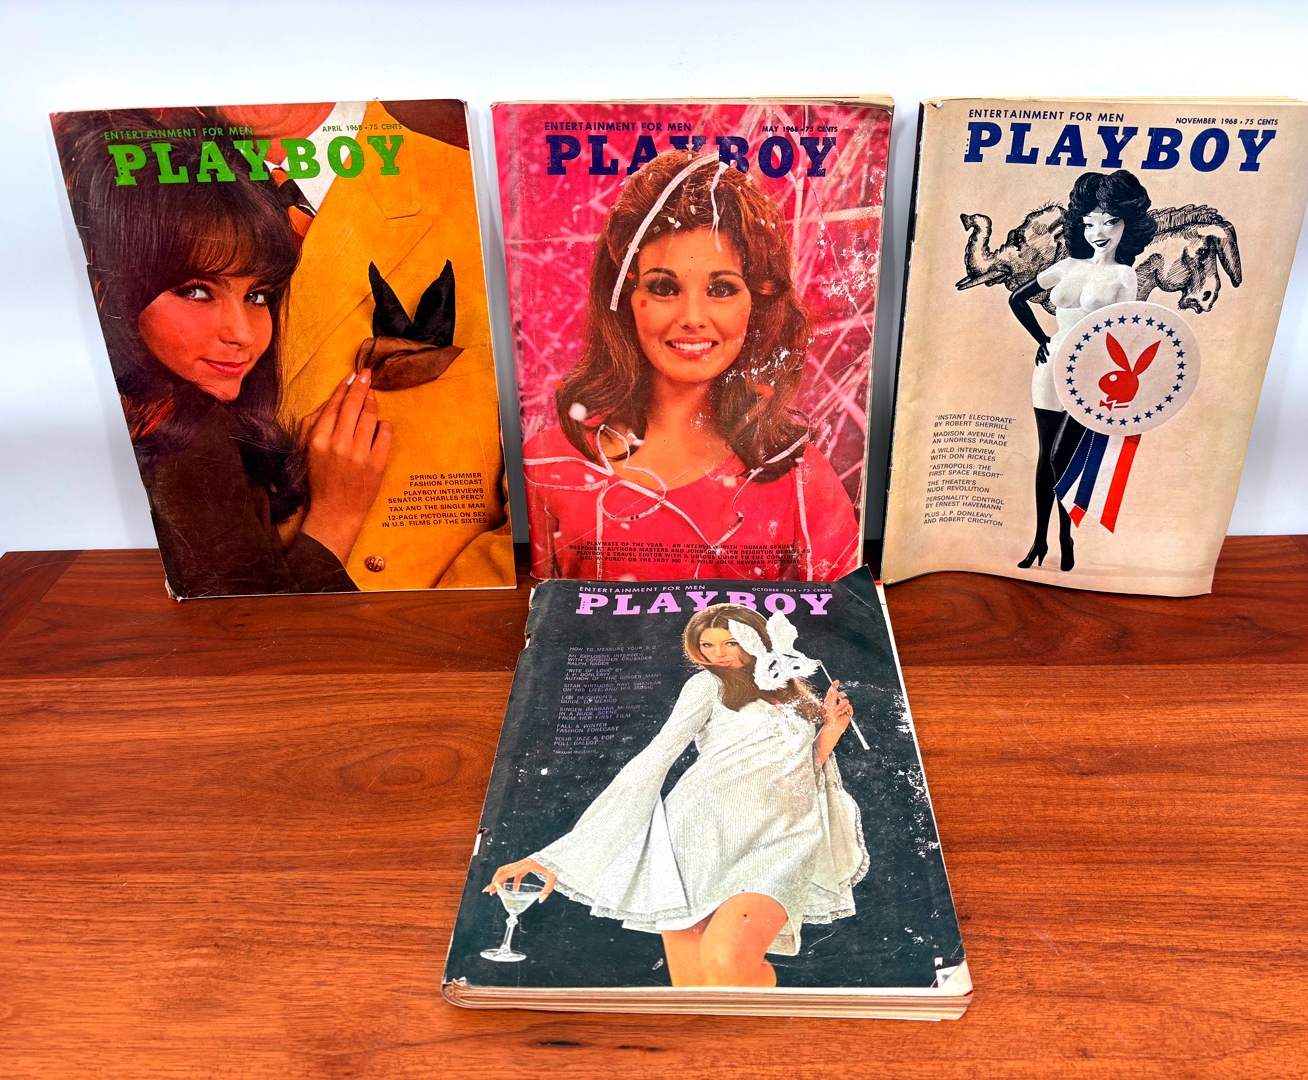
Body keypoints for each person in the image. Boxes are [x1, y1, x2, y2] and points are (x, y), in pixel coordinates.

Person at [55, 111, 389, 597]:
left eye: (257, 296)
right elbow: (254, 635)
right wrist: (337, 516)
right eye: (196, 292)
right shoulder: (185, 438)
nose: (242, 334)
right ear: (116, 293)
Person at [209, 101, 515, 591]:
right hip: (238, 612)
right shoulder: (143, 196)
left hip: (427, 612)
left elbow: (563, 488)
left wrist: (442, 619)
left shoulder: (486, 190)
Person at [486, 605, 868, 988]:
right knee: (693, 984)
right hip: (696, 836)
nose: (718, 654)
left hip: (782, 837)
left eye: (730, 642)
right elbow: (658, 754)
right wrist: (554, 856)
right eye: (708, 645)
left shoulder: (790, 690)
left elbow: (797, 770)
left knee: (727, 962)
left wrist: (831, 730)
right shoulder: (707, 685)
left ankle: (766, 1025)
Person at [522, 150, 860, 581]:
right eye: (664, 288)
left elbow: (844, 617)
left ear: (755, 304)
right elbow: (533, 612)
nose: (693, 317)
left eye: (722, 289)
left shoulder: (800, 477)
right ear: (624, 301)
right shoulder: (548, 466)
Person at [1007, 170, 1157, 572]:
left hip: (1089, 374)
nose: (1099, 232)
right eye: (1091, 223)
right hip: (1049, 366)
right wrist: (1042, 338)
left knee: (1062, 458)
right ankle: (1039, 540)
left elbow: (1125, 333)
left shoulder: (1124, 276)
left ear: (1128, 223)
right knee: (1045, 456)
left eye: (1110, 221)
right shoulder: (1067, 266)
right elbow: (1017, 298)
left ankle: (1065, 536)